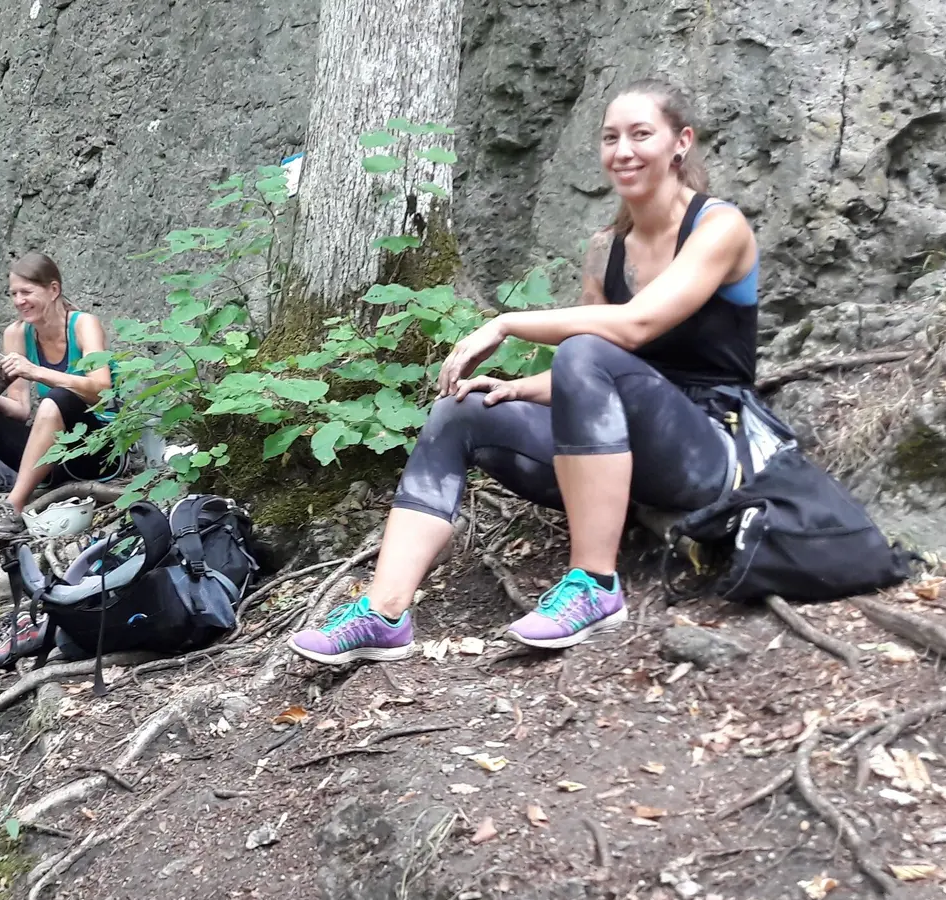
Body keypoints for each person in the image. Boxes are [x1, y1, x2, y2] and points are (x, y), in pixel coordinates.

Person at [291, 79, 760, 665]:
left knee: (586, 348)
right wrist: (514, 389)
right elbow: (603, 381)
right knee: (460, 409)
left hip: (709, 449)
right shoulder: (605, 248)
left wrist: (506, 324)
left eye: (642, 134)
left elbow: (633, 331)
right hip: (622, 454)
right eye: (611, 137)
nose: (624, 150)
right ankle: (383, 614)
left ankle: (594, 585)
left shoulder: (719, 227)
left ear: (680, 143)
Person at [0, 253, 119, 546]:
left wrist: (38, 372)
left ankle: (11, 509)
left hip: (97, 453)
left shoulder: (83, 325)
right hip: (51, 457)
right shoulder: (17, 333)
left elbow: (101, 388)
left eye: (27, 292)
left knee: (57, 398)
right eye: (13, 294)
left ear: (53, 290)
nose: (19, 301)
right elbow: (19, 411)